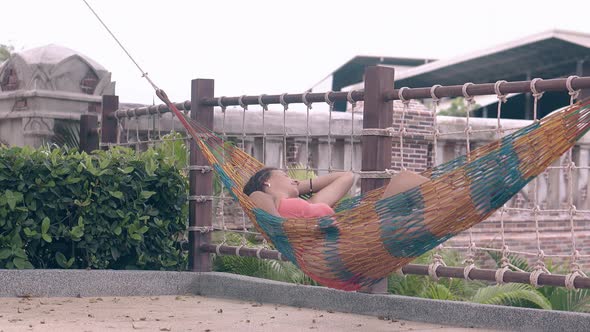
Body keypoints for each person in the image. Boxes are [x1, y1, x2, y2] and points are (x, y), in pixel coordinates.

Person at [243, 167, 429, 218]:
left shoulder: (311, 204)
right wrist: (282, 224)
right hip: (353, 239)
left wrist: (299, 187)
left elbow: (346, 177)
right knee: (405, 180)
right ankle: (453, 199)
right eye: (285, 175)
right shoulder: (264, 199)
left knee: (406, 180)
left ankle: (450, 199)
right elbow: (254, 197)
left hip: (362, 228)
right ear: (266, 182)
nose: (292, 178)